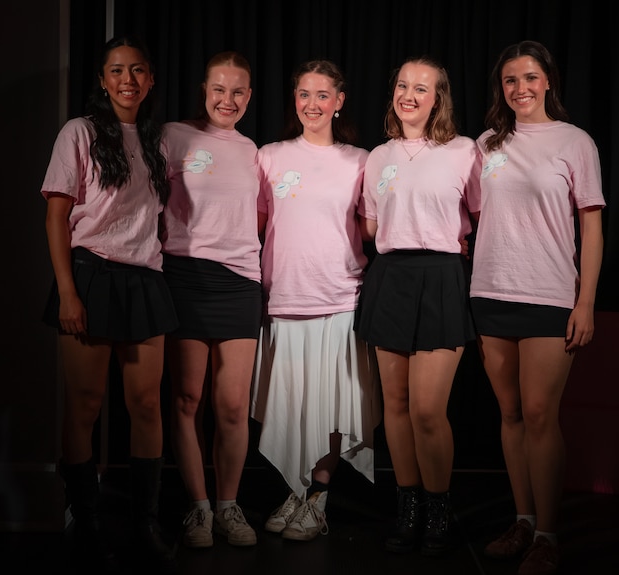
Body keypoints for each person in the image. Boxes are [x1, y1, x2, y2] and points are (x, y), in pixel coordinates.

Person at [41, 36, 177, 574]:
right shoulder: (79, 132)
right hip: (91, 276)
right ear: (102, 80)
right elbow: (56, 216)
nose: (127, 79)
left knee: (146, 405)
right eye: (117, 71)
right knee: (86, 406)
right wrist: (69, 291)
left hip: (144, 279)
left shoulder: (154, 140)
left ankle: (144, 521)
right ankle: (88, 521)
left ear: (149, 80)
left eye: (137, 70)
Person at [468, 40, 605, 575]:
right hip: (491, 292)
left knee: (542, 415)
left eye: (529, 78)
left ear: (548, 80)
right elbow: (473, 212)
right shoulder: (487, 143)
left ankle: (548, 534)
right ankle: (522, 519)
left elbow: (591, 225)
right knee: (510, 414)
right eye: (509, 81)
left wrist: (585, 301)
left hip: (550, 295)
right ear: (501, 89)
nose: (520, 88)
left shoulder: (575, 142)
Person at [250, 60, 381, 542]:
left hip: (339, 298)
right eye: (304, 94)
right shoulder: (269, 156)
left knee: (329, 406)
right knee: (291, 403)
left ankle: (318, 496)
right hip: (284, 297)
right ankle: (295, 487)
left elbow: (373, 228)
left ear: (340, 100)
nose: (312, 104)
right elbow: (254, 228)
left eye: (323, 95)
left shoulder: (362, 160)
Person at [356, 56, 477, 556]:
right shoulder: (377, 157)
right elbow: (369, 225)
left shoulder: (464, 151)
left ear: (438, 97)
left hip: (441, 277)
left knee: (429, 409)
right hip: (390, 277)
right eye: (402, 85)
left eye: (420, 88)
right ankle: (407, 510)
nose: (409, 94)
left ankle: (438, 509)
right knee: (396, 407)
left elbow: (482, 214)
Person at [161, 51, 262, 548]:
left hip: (241, 280)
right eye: (219, 89)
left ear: (249, 96)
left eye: (238, 90)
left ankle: (228, 505)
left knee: (232, 405)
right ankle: (198, 509)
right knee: (187, 398)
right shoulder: (173, 136)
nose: (228, 99)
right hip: (183, 275)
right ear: (204, 90)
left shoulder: (252, 151)